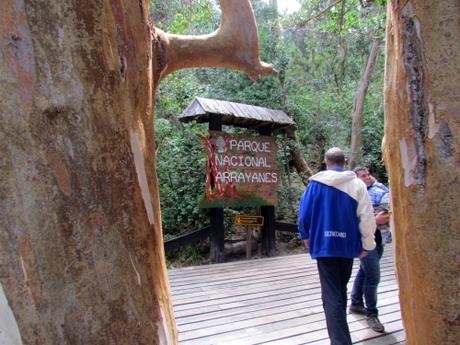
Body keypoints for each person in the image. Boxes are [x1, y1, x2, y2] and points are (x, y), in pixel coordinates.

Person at [298, 148, 376, 345]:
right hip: (348, 246)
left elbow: (304, 214)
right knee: (338, 290)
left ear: (326, 161)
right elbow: (367, 218)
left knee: (333, 293)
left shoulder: (314, 185)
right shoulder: (357, 184)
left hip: (324, 247)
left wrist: (306, 236)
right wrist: (368, 245)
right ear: (345, 161)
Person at [349, 166, 390, 333]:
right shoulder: (353, 193)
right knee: (373, 278)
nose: (367, 177)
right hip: (364, 240)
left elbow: (387, 208)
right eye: (363, 176)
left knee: (364, 271)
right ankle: (372, 314)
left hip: (379, 238)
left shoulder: (379, 188)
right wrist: (375, 218)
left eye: (368, 174)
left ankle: (356, 303)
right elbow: (354, 217)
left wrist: (376, 216)